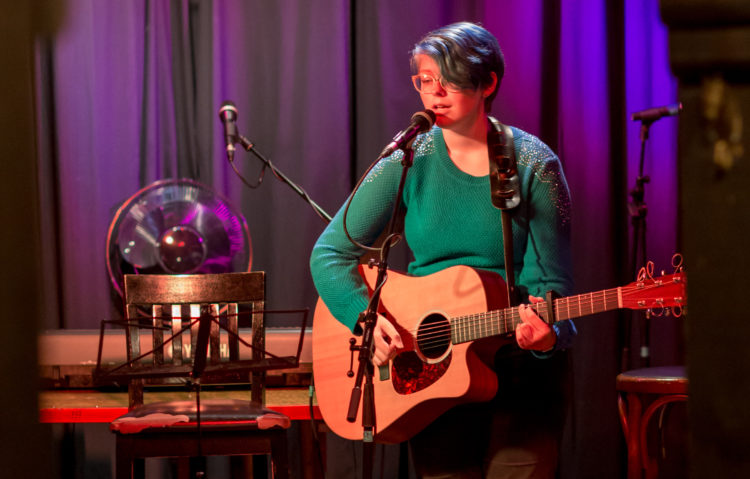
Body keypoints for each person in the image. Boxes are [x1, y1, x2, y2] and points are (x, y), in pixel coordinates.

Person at [310, 22, 576, 478]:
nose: (434, 94)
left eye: (449, 80)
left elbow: (553, 286)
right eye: (425, 80)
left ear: (487, 83)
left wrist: (548, 336)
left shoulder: (534, 163)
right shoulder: (409, 158)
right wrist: (364, 319)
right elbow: (329, 254)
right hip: (430, 376)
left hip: (519, 373)